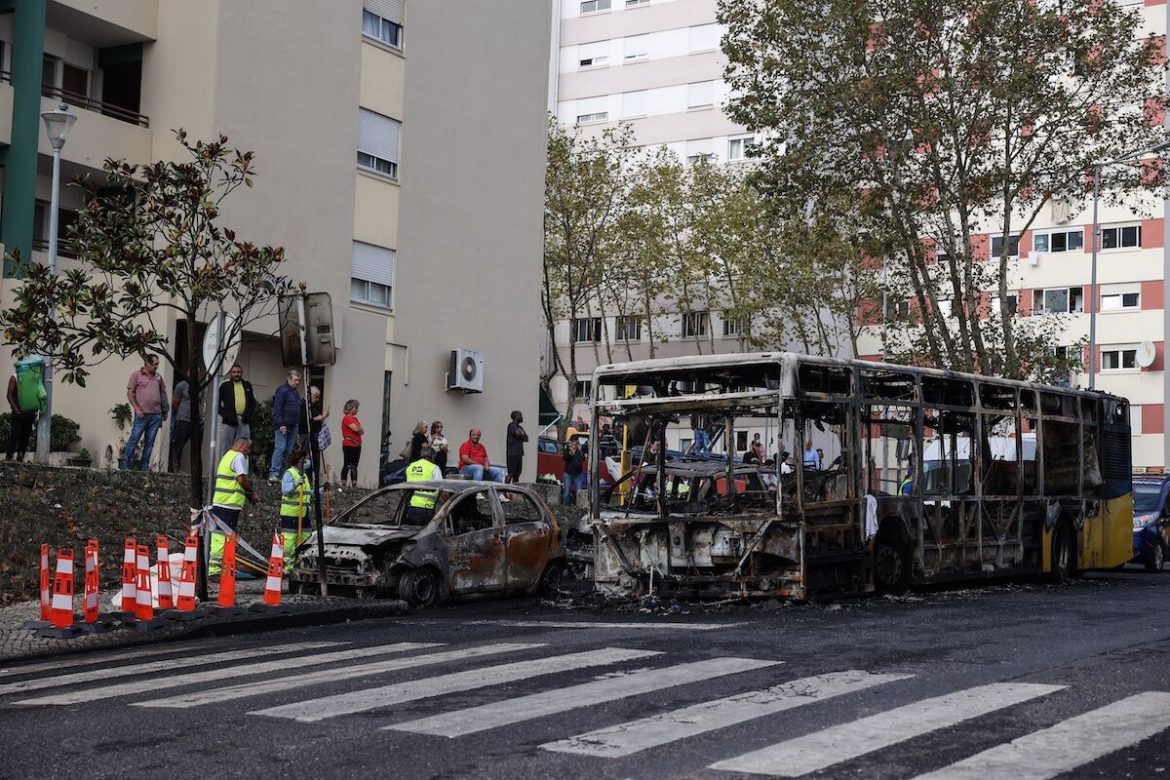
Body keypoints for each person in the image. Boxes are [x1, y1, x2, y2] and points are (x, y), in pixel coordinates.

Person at [209, 437, 259, 576]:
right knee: (222, 536)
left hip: (221, 501)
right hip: (229, 502)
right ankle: (215, 570)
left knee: (221, 535)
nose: (248, 452)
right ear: (241, 445)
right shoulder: (238, 457)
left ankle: (220, 567)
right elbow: (241, 479)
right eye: (248, 448)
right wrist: (251, 493)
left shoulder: (227, 456)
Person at [120, 354, 167, 471]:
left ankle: (144, 466)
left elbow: (163, 393)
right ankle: (125, 464)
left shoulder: (158, 377)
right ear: (148, 363)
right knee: (134, 438)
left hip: (155, 415)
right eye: (155, 364)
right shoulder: (136, 375)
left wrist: (165, 410)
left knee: (149, 442)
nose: (157, 367)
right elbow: (130, 394)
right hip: (141, 414)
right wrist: (136, 408)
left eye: (157, 364)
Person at [280, 448, 316, 572]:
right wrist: (296, 484)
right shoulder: (290, 473)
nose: (307, 462)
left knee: (306, 537)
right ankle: (288, 568)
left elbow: (307, 493)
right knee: (289, 540)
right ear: (300, 460)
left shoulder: (304, 475)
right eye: (306, 459)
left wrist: (320, 491)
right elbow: (286, 490)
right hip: (291, 513)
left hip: (303, 512)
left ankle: (302, 564)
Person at [268, 369, 301, 480]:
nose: (297, 382)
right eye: (296, 380)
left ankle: (283, 474)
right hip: (283, 425)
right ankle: (274, 473)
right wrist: (281, 424)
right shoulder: (282, 390)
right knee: (280, 448)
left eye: (298, 380)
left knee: (288, 450)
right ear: (289, 378)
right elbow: (277, 408)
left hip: (293, 425)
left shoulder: (295, 393)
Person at [217, 363, 256, 452]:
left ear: (242, 373)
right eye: (234, 372)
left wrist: (249, 415)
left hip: (244, 420)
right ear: (231, 373)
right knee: (226, 448)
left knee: (244, 447)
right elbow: (217, 404)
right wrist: (226, 415)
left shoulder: (247, 385)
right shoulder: (224, 385)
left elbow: (252, 402)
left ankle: (239, 465)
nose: (236, 374)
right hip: (229, 422)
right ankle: (225, 466)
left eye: (238, 372)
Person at [404, 445, 443, 522]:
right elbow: (441, 486)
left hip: (410, 505)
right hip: (426, 507)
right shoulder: (434, 468)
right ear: (432, 457)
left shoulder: (411, 466)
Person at [6, 372, 36, 462]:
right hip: (18, 412)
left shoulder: (33, 378)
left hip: (29, 413)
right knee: (15, 434)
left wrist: (35, 409)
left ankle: (20, 456)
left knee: (25, 436)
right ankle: (9, 455)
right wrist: (16, 410)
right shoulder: (15, 377)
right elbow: (9, 395)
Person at [168, 372, 192, 473]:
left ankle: (194, 471)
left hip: (195, 421)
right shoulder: (181, 385)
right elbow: (174, 402)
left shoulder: (200, 386)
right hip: (182, 419)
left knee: (195, 447)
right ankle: (175, 468)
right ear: (188, 373)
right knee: (178, 444)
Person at [340, 399, 364, 487]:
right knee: (347, 464)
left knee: (354, 465)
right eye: (356, 408)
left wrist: (359, 429)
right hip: (349, 444)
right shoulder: (347, 418)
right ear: (351, 408)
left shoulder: (355, 419)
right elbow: (357, 429)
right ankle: (343, 484)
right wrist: (358, 429)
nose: (357, 410)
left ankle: (354, 484)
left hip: (357, 444)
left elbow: (362, 431)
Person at [505, 410, 528, 483]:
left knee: (517, 474)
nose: (522, 417)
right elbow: (518, 434)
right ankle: (505, 490)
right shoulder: (511, 425)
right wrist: (521, 434)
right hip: (512, 453)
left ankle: (515, 491)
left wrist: (521, 434)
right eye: (520, 415)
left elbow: (526, 438)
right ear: (515, 417)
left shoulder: (520, 427)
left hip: (519, 453)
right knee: (511, 473)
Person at [562, 439, 586, 506]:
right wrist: (571, 453)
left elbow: (583, 459)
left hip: (577, 474)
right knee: (567, 491)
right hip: (568, 473)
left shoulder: (579, 451)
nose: (574, 445)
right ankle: (565, 505)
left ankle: (579, 505)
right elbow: (565, 458)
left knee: (579, 491)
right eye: (573, 443)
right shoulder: (568, 449)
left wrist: (581, 451)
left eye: (576, 444)